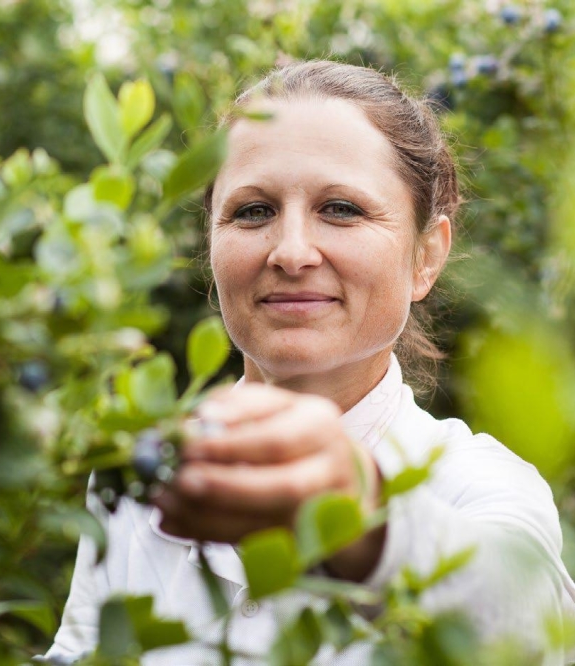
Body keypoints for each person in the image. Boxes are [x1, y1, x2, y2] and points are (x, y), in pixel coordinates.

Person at [42, 60, 575, 665]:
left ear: (425, 256)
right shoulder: (142, 469)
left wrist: (362, 518)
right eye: (253, 211)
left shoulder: (477, 484)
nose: (291, 252)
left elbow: (523, 620)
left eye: (342, 208)